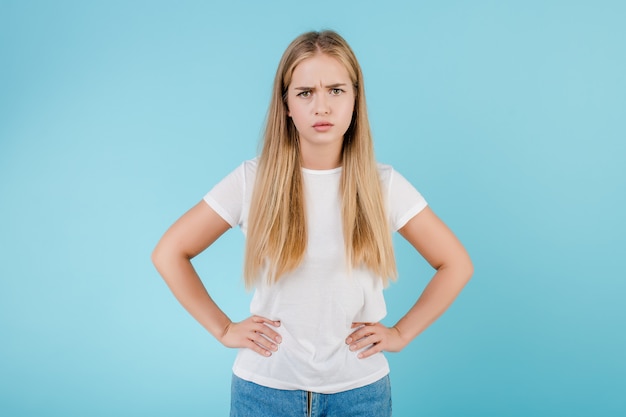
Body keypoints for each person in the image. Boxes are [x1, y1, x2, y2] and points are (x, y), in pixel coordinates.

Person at [152, 30, 473, 417]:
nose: (322, 106)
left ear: (356, 100)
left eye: (336, 90)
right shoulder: (252, 181)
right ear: (286, 104)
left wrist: (401, 333)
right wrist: (223, 329)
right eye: (305, 93)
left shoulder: (382, 185)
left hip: (360, 394)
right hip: (263, 392)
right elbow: (169, 252)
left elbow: (456, 264)